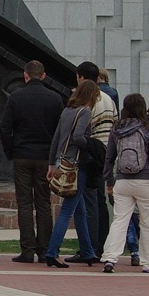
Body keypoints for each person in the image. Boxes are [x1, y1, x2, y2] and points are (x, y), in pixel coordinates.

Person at [0, 60, 63, 264]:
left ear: (25, 75)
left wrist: (11, 151)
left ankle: (27, 250)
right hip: (45, 156)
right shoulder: (54, 99)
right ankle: (44, 250)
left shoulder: (16, 97)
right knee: (43, 202)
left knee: (24, 203)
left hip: (22, 155)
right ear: (43, 76)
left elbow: (5, 129)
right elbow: (59, 132)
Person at [100, 91, 149, 273]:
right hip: (146, 181)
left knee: (120, 220)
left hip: (122, 182)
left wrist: (109, 180)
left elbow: (109, 157)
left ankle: (110, 258)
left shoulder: (116, 128)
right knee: (148, 223)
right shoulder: (148, 128)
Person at [42, 79, 101, 268]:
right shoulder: (85, 112)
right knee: (68, 210)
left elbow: (56, 138)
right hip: (76, 165)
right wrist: (92, 145)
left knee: (79, 210)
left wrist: (52, 163)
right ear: (91, 96)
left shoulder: (67, 111)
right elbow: (78, 138)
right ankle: (52, 252)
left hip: (62, 162)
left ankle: (88, 252)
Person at [75, 63, 116, 260]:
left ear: (81, 78)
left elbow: (82, 130)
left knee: (88, 201)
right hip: (107, 153)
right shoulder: (109, 98)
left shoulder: (89, 100)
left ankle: (89, 248)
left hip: (92, 152)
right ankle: (101, 245)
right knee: (100, 201)